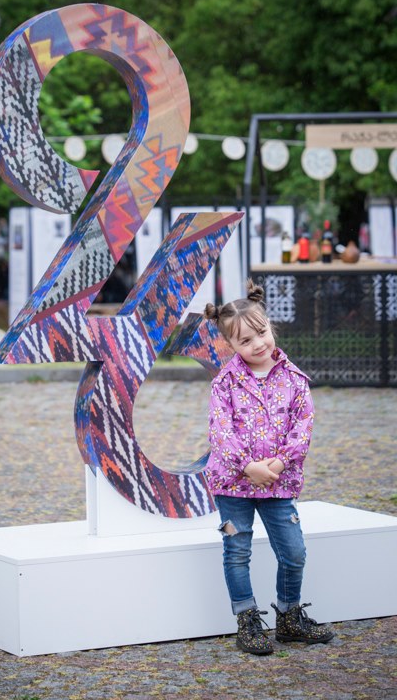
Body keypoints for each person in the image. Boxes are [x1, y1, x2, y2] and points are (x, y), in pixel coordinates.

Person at [203, 279, 334, 656]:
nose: (257, 344)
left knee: (293, 550)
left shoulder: (294, 380)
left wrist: (278, 462)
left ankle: (290, 616)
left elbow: (303, 424)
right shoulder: (224, 384)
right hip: (233, 486)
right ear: (230, 345)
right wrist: (247, 466)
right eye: (245, 340)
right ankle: (246, 619)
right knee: (237, 550)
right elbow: (220, 430)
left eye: (261, 333)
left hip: (279, 482)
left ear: (270, 327)